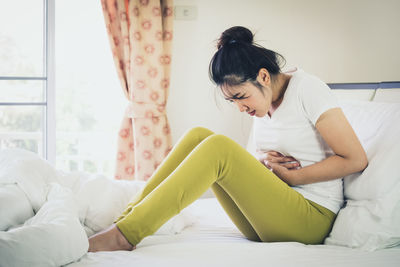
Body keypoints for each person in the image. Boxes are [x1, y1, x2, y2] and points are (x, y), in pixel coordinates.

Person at [88, 26, 368, 252]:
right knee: (199, 136)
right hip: (270, 214)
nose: (240, 108)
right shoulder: (264, 105)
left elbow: (355, 159)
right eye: (231, 101)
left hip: (311, 218)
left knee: (218, 147)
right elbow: (256, 162)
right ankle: (125, 220)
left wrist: (294, 178)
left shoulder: (309, 90)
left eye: (241, 97)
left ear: (263, 77)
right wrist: (265, 167)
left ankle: (125, 235)